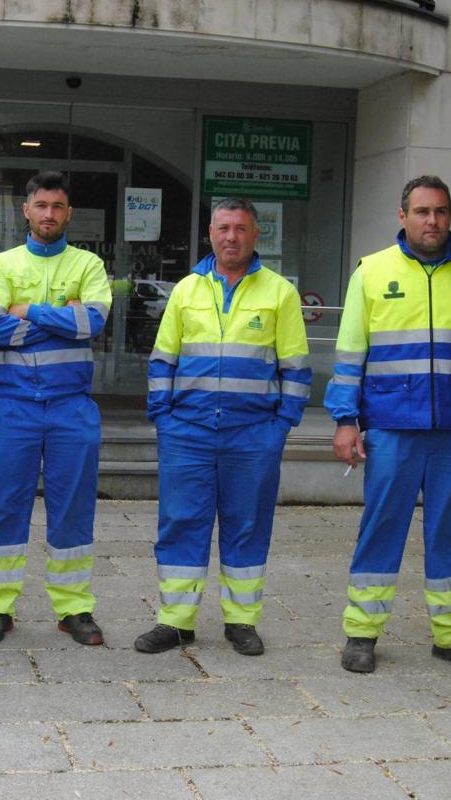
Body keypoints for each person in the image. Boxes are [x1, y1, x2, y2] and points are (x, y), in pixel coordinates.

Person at [325, 175, 451, 676]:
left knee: (449, 529)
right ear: (402, 216)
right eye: (423, 212)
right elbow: (349, 356)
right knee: (381, 527)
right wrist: (346, 421)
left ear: (450, 216)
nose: (433, 221)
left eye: (442, 212)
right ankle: (362, 632)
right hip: (391, 427)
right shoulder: (371, 271)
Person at [134, 199, 311, 657]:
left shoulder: (279, 293)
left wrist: (281, 426)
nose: (231, 237)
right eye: (223, 228)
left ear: (256, 236)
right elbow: (162, 361)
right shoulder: (187, 290)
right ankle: (175, 622)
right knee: (179, 523)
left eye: (241, 229)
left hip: (253, 435)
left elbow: (296, 367)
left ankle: (242, 622)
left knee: (247, 525)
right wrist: (164, 418)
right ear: (210, 234)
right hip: (186, 432)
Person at [0, 171, 112, 646]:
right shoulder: (1, 264)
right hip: (13, 405)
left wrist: (27, 311)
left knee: (73, 506)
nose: (49, 214)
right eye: (41, 205)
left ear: (68, 213)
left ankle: (74, 609)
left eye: (57, 206)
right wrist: (64, 317)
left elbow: (92, 322)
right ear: (25, 210)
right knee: (2, 504)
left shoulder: (89, 265)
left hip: (72, 406)